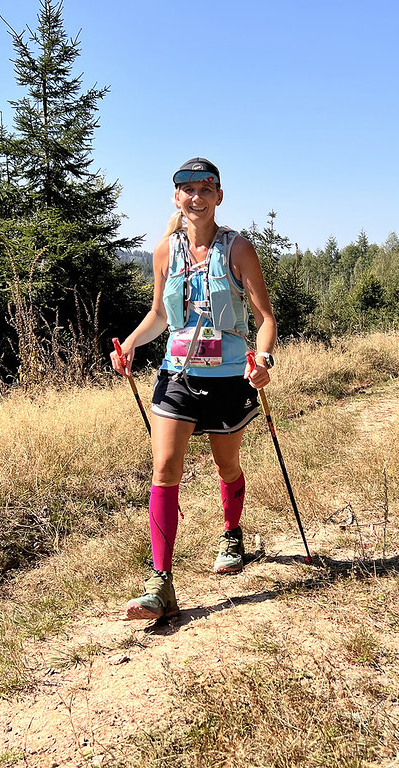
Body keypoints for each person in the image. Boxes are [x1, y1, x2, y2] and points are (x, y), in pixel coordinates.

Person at [110, 158, 277, 620]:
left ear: (219, 197)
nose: (196, 196)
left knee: (227, 466)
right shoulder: (166, 251)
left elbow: (266, 321)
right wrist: (128, 345)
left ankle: (232, 534)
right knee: (164, 468)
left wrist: (262, 361)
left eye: (206, 188)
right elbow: (160, 317)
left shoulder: (238, 249)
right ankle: (160, 583)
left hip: (228, 378)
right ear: (175, 197)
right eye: (187, 188)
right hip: (177, 376)